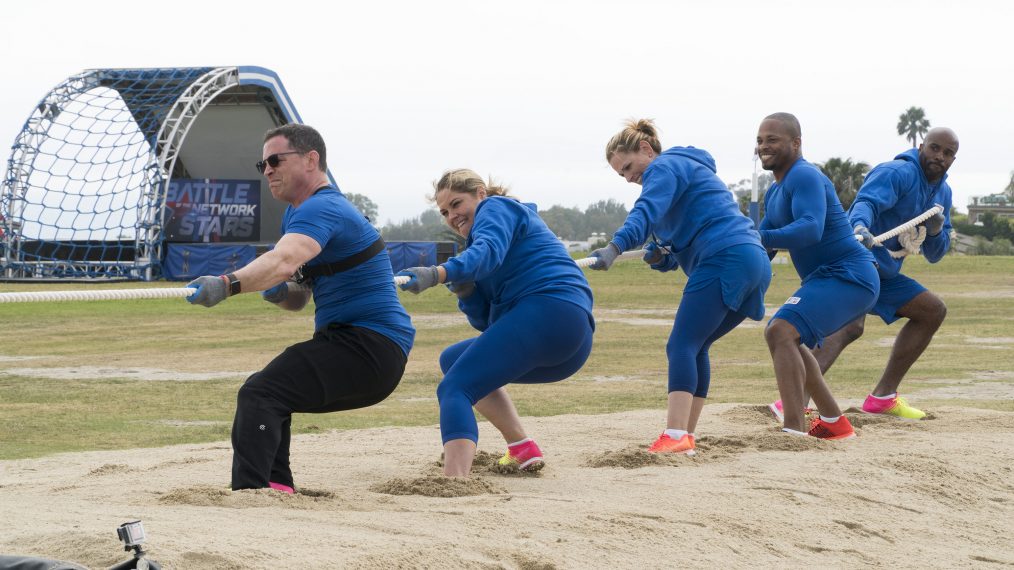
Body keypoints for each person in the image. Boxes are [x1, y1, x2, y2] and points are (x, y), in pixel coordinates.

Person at [186, 124, 414, 492]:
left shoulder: (323, 207)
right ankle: (277, 488)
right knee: (273, 394)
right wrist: (279, 294)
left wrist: (227, 284)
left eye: (275, 160)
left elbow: (283, 261)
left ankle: (253, 494)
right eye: (262, 165)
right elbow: (299, 297)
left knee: (260, 393)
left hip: (368, 347)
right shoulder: (299, 214)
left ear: (311, 159)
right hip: (366, 349)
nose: (268, 170)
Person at [396, 169, 594, 477]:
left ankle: (454, 480)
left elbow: (486, 252)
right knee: (454, 360)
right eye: (445, 212)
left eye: (457, 204)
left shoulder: (497, 209)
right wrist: (467, 292)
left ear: (480, 194)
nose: (452, 216)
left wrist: (438, 273)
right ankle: (522, 449)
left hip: (549, 313)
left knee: (456, 387)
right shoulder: (477, 250)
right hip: (569, 340)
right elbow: (489, 325)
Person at [590, 119, 770, 455]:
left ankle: (674, 435)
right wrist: (659, 259)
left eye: (628, 167)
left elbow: (643, 212)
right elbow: (675, 252)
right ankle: (684, 436)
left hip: (726, 256)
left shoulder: (666, 167)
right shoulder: (681, 177)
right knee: (696, 346)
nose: (629, 177)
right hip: (752, 260)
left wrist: (614, 247)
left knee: (681, 345)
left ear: (646, 149)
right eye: (621, 175)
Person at [805, 127, 958, 420]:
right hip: (854, 259)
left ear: (953, 159)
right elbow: (865, 204)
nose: (939, 156)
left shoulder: (944, 194)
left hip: (883, 273)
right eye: (935, 148)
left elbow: (936, 255)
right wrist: (860, 226)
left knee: (932, 311)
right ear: (922, 144)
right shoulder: (896, 172)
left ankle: (882, 398)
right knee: (851, 326)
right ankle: (791, 400)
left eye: (948, 153)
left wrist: (937, 230)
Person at [756, 113, 879, 438]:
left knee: (780, 332)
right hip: (826, 279)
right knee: (791, 340)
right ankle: (834, 423)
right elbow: (761, 248)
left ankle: (794, 430)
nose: (763, 146)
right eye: (759, 140)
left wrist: (761, 238)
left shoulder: (805, 176)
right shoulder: (774, 193)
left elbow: (810, 229)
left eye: (772, 139)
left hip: (849, 275)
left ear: (796, 143)